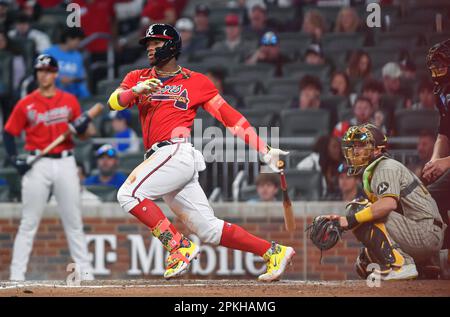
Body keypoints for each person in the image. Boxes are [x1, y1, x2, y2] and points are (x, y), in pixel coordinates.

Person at [107, 23, 295, 281]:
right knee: (208, 230)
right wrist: (134, 91)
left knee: (128, 194)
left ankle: (178, 246)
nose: (150, 48)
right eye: (148, 44)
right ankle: (272, 251)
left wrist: (264, 148)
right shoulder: (137, 76)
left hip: (175, 152)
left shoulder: (196, 81)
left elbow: (230, 118)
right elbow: (114, 102)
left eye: (156, 43)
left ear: (172, 46)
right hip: (160, 158)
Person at [2, 54, 94, 281]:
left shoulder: (69, 100)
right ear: (36, 73)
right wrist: (15, 160)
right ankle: (16, 276)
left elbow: (87, 135)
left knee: (73, 221)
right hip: (38, 162)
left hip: (65, 160)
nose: (45, 74)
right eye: (41, 70)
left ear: (55, 73)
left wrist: (83, 127)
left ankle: (86, 275)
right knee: (29, 222)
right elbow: (9, 133)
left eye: (49, 70)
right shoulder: (27, 102)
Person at [323, 123, 446, 280]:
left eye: (361, 145)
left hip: (425, 232)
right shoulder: (378, 169)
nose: (355, 150)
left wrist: (349, 220)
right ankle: (425, 265)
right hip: (422, 230)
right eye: (353, 146)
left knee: (356, 210)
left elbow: (388, 204)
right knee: (366, 261)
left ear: (377, 149)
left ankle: (401, 265)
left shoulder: (385, 167)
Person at [423, 39, 450, 259]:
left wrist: (445, 163)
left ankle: (442, 243)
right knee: (422, 192)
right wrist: (434, 161)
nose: (437, 71)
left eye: (442, 65)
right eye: (434, 66)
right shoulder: (442, 93)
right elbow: (443, 134)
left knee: (431, 196)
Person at [44, 27, 90, 100]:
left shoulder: (78, 56)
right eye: (77, 41)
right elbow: (42, 73)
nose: (78, 44)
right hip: (52, 93)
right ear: (69, 39)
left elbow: (82, 77)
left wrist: (72, 80)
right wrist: (58, 79)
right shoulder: (48, 53)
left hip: (74, 94)